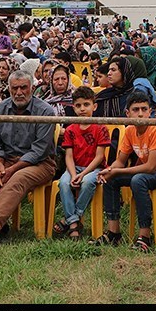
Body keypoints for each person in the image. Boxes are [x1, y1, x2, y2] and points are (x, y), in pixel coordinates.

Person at [0, 69, 57, 245]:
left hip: (40, 163)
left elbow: (40, 149)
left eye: (24, 87)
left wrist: (12, 169)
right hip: (5, 159)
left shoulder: (45, 111)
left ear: (32, 87)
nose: (19, 92)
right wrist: (0, 165)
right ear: (9, 88)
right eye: (15, 88)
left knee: (17, 178)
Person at [92, 90, 156, 250]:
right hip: (155, 172)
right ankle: (113, 232)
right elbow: (120, 161)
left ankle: (145, 236)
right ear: (128, 113)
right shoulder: (130, 130)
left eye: (144, 109)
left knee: (139, 180)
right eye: (136, 110)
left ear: (150, 111)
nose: (141, 114)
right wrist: (109, 171)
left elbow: (150, 167)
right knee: (111, 179)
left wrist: (118, 171)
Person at [50, 86, 110, 240]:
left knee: (88, 182)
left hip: (95, 168)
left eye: (86, 104)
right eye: (78, 105)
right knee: (63, 183)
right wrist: (73, 174)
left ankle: (70, 220)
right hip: (74, 167)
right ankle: (74, 223)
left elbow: (99, 157)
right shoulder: (70, 129)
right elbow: (68, 156)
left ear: (94, 106)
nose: (82, 109)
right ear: (73, 108)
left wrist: (82, 174)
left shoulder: (101, 128)